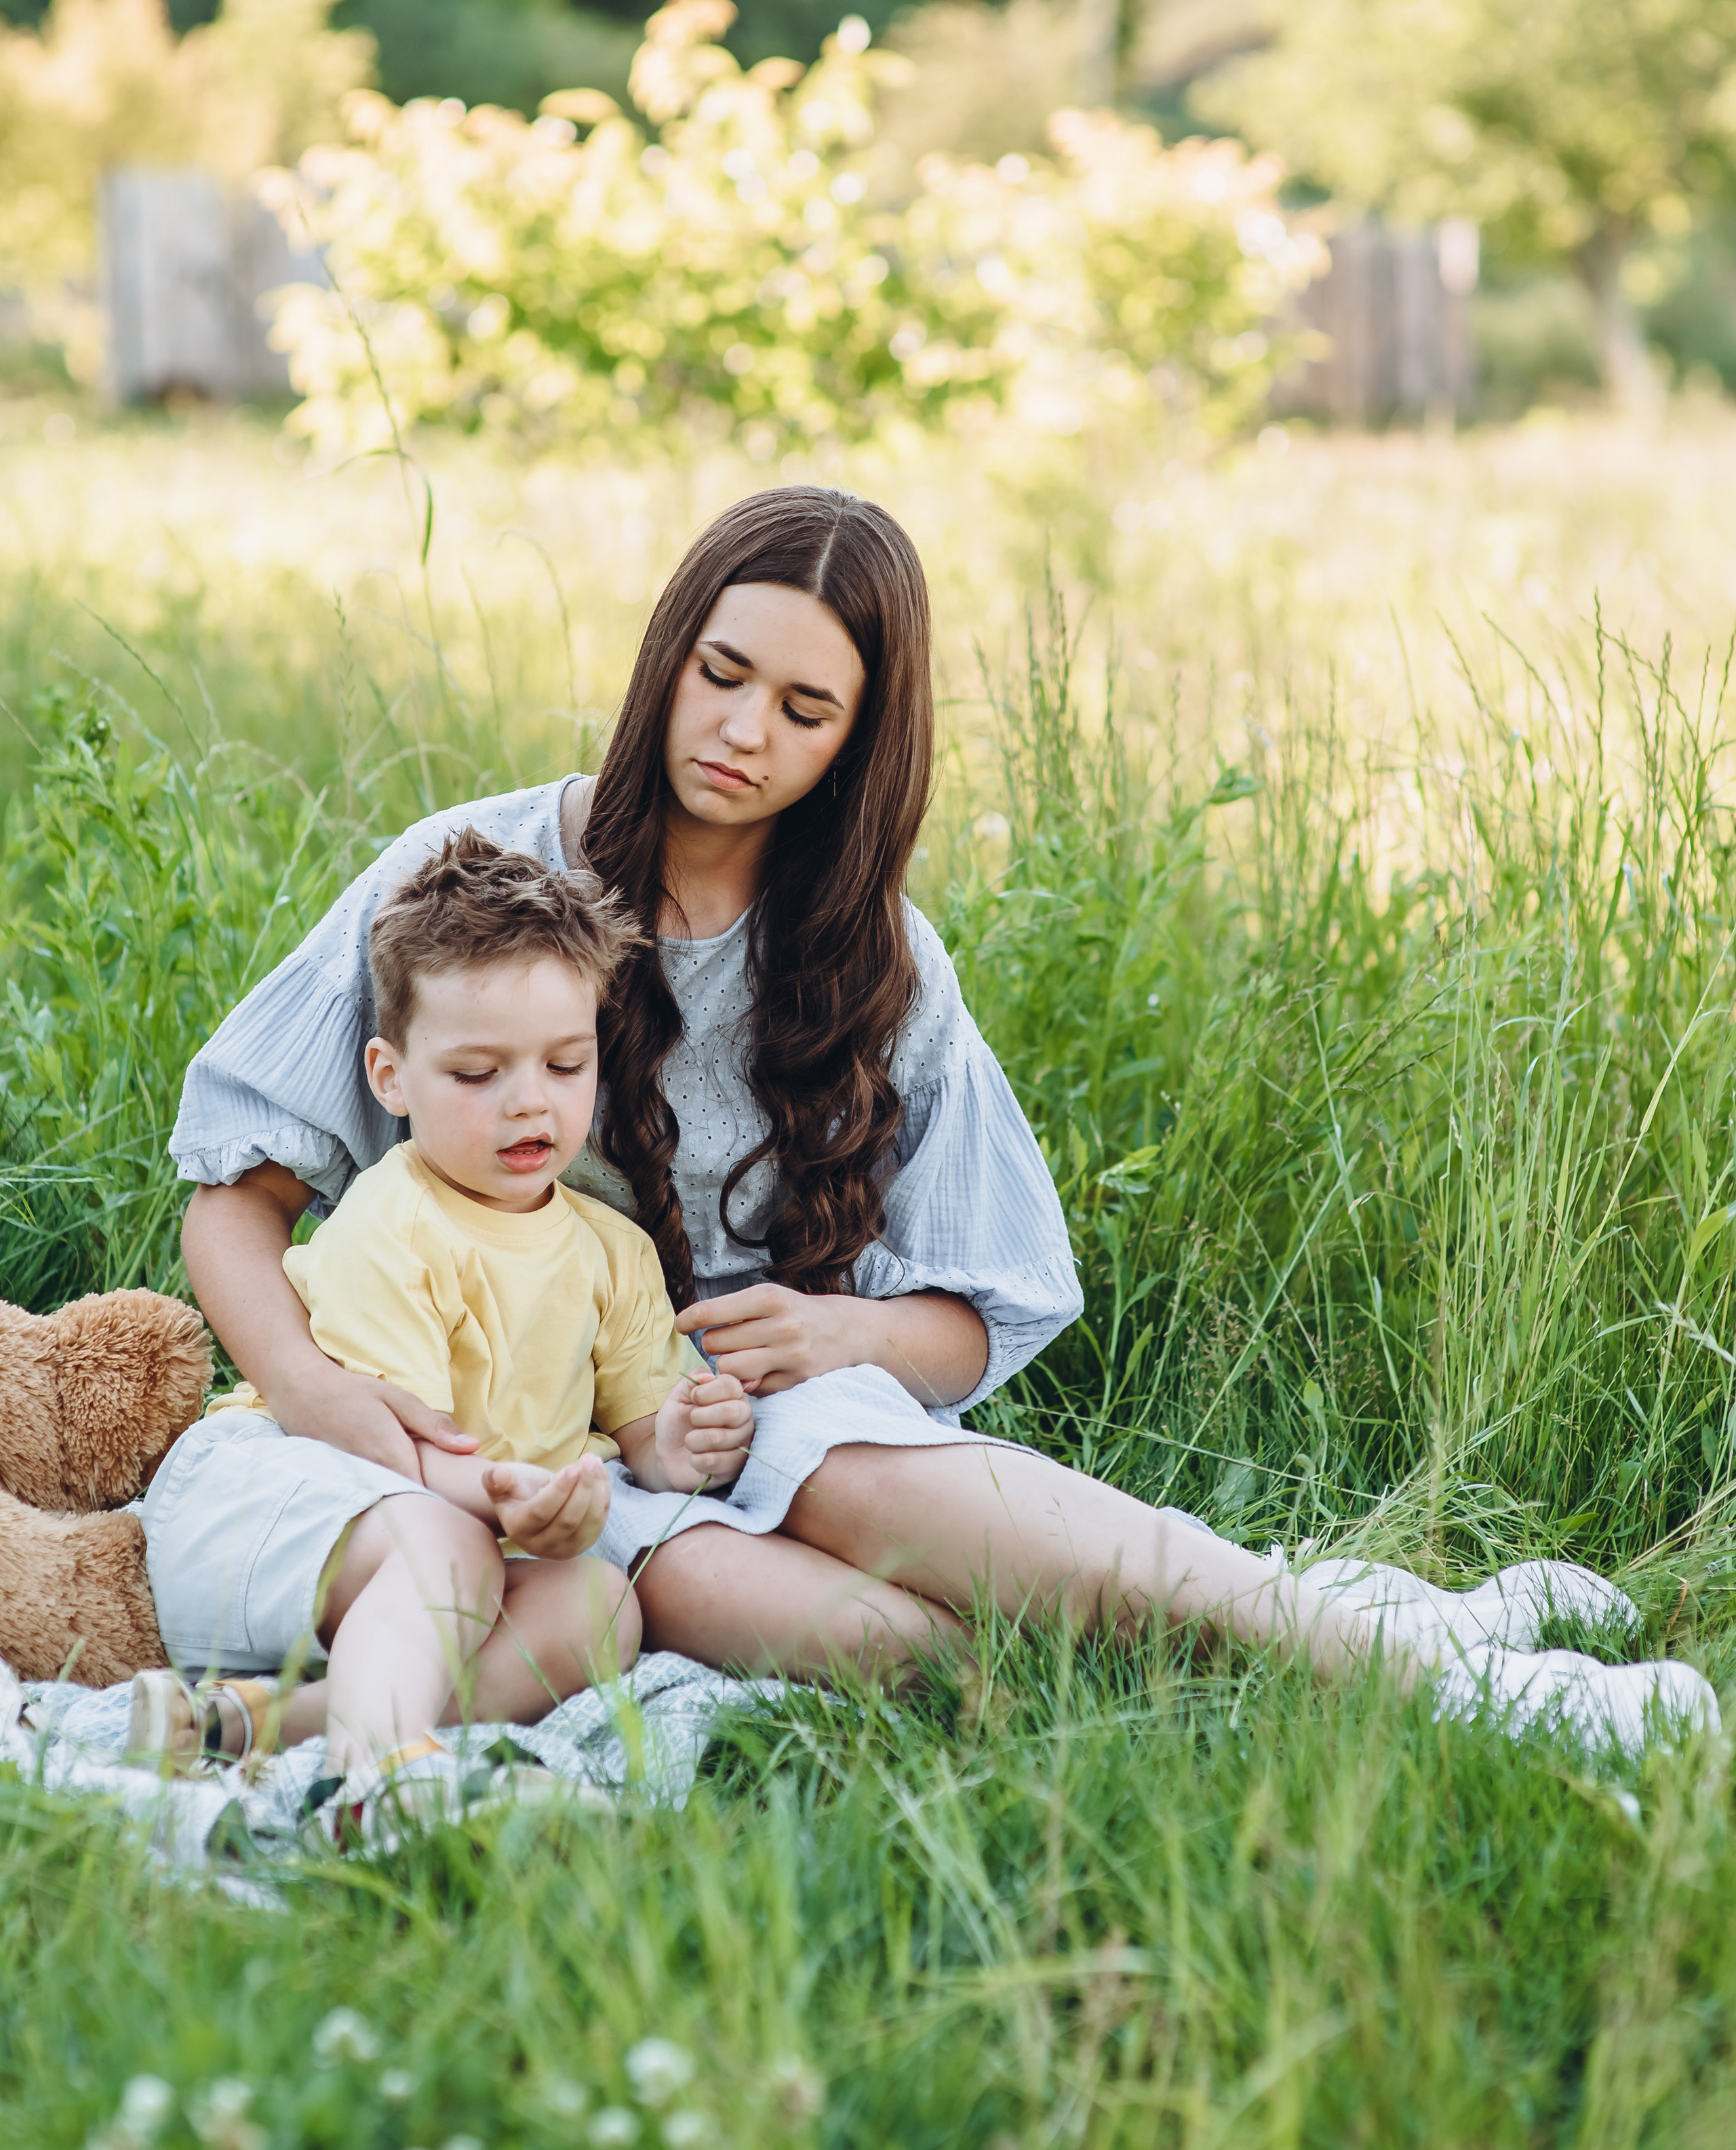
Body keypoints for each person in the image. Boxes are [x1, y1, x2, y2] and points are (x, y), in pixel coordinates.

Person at [172, 486, 1716, 1755]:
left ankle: (1455, 1682)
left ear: (856, 739)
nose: (741, 731)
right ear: (665, 657)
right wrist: (315, 1392)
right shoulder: (475, 877)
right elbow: (235, 1191)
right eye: (720, 673)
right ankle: (1357, 1621)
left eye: (803, 706)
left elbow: (990, 1305)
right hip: (534, 1452)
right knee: (934, 1664)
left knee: (855, 1475)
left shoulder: (872, 962)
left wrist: (844, 1340)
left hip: (769, 1408)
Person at [132, 832, 755, 1831]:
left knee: (598, 1608)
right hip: (269, 1508)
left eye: (564, 1062)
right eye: (476, 1073)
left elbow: (648, 1434)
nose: (529, 1101)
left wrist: (690, 1437)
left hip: (429, 1560)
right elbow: (398, 1450)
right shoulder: (397, 1218)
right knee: (453, 1542)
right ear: (391, 1075)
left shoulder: (609, 1250)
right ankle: (375, 1780)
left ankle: (252, 1729)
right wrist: (517, 1499)